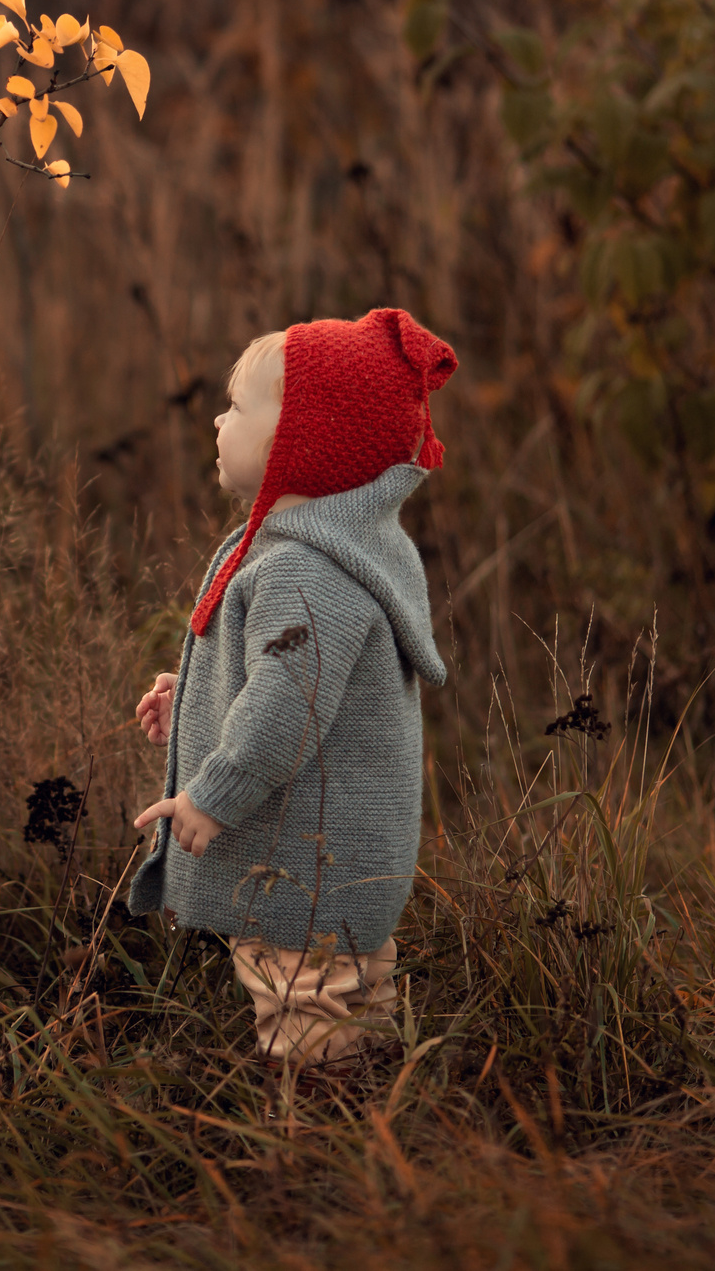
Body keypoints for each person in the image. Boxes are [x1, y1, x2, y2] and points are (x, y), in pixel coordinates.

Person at [129, 308, 454, 1069]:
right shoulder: (332, 548)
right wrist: (196, 697)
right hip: (338, 859)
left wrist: (214, 795)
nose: (218, 421)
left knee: (306, 1009)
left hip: (305, 868)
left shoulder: (303, 570)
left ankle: (316, 1124)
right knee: (353, 997)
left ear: (300, 438)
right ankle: (374, 1101)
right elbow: (285, 678)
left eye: (236, 407)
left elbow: (286, 708)